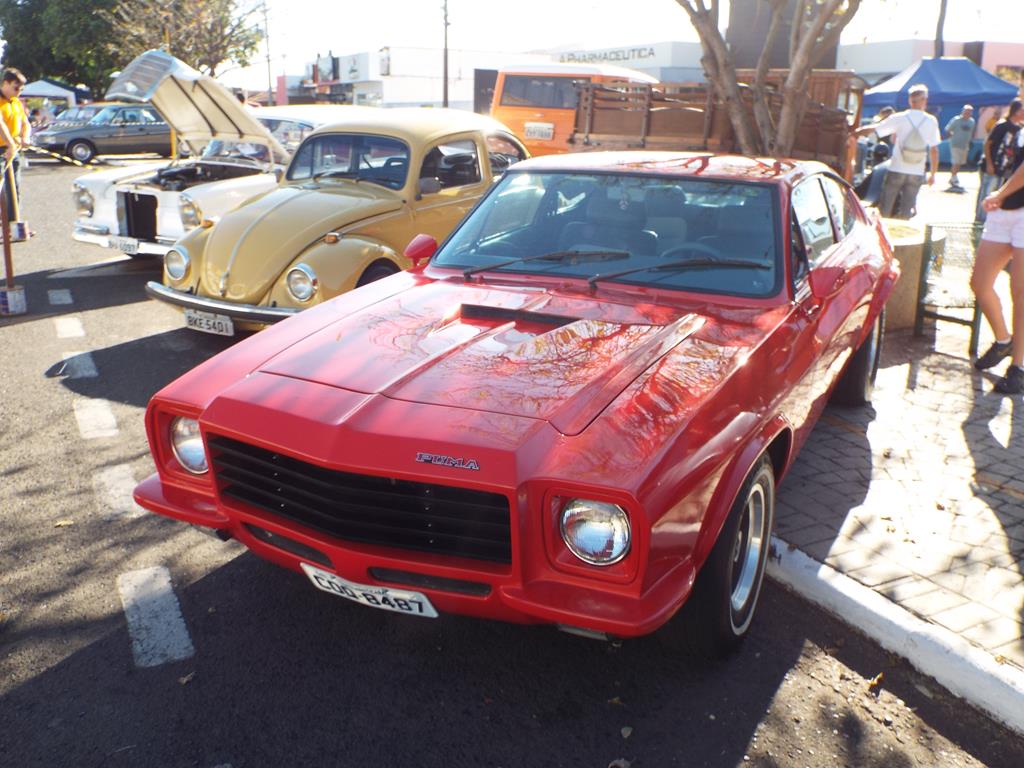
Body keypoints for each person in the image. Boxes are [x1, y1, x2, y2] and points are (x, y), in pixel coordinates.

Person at [970, 126, 1024, 395]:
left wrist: (998, 194)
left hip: (1013, 207)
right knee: (979, 283)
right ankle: (1004, 341)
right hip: (1005, 210)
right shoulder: (1017, 129)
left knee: (1020, 291)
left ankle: (1019, 368)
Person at [855, 84, 941, 219]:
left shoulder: (900, 118)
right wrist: (933, 174)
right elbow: (934, 150)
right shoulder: (931, 121)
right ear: (924, 100)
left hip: (897, 168)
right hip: (917, 170)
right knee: (907, 210)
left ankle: (883, 230)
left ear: (910, 100)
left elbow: (877, 129)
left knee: (885, 207)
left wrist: (857, 132)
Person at [977, 99, 1023, 222]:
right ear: (1016, 111)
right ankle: (980, 221)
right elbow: (987, 144)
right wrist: (989, 164)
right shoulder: (1002, 125)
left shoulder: (1019, 129)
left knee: (998, 194)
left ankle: (988, 220)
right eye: (1022, 110)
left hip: (1006, 170)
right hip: (992, 167)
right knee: (987, 193)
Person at [0, 67, 29, 222]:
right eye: (16, 88)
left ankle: (14, 224)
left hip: (13, 151)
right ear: (5, 83)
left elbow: (25, 123)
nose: (18, 92)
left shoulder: (16, 102)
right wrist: (10, 144)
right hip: (2, 150)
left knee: (13, 188)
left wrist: (25, 137)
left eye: (21, 89)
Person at [945, 104, 975, 189]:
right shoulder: (956, 120)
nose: (967, 113)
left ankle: (953, 177)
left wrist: (970, 141)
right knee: (956, 162)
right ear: (962, 111)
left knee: (960, 162)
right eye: (966, 112)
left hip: (965, 145)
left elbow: (971, 132)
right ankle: (954, 178)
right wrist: (952, 138)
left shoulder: (972, 121)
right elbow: (948, 130)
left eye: (969, 112)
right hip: (955, 144)